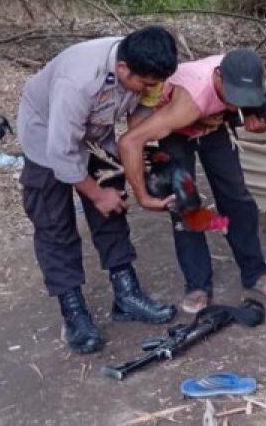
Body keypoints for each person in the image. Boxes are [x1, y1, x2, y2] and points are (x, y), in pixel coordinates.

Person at [16, 27, 179, 355]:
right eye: (147, 84)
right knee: (54, 225)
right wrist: (95, 194)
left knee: (113, 207)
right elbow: (61, 153)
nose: (152, 90)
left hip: (94, 135)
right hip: (48, 138)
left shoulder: (141, 65)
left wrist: (139, 162)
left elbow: (139, 113)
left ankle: (126, 295)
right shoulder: (77, 83)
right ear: (123, 70)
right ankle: (74, 312)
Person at [117, 50, 266, 315]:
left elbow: (259, 114)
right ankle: (197, 284)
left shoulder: (242, 74)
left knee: (237, 196)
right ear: (218, 77)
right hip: (175, 130)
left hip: (213, 126)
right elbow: (130, 141)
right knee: (185, 205)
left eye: (244, 98)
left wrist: (258, 124)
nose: (238, 103)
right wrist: (143, 195)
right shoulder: (190, 99)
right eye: (234, 96)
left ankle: (255, 271)